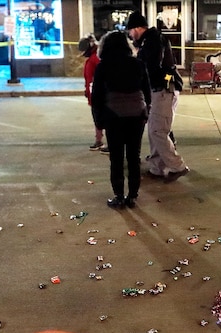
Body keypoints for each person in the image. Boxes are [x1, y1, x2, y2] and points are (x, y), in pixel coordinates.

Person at [125, 12, 189, 183]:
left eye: (131, 31)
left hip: (164, 88)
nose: (131, 35)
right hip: (160, 89)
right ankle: (157, 168)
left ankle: (178, 166)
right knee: (155, 129)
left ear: (138, 28)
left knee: (157, 130)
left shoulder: (153, 40)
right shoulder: (151, 39)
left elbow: (151, 67)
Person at [91, 31, 151, 208]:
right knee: (134, 156)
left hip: (114, 115)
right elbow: (147, 92)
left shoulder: (103, 66)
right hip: (136, 115)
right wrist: (146, 110)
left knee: (116, 158)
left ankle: (119, 196)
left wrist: (99, 121)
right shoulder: (138, 64)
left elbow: (97, 97)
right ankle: (132, 196)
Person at [78, 34, 106, 152]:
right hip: (94, 93)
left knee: (101, 118)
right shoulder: (93, 58)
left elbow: (94, 78)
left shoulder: (95, 59)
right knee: (97, 118)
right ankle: (98, 140)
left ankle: (101, 141)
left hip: (97, 93)